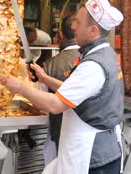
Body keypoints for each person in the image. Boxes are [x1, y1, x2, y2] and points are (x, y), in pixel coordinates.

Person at [0, 0, 124, 174]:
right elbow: (80, 93)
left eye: (78, 22)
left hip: (93, 159)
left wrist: (19, 86)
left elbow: (55, 105)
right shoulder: (106, 54)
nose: (73, 26)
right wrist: (45, 79)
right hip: (100, 153)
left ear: (93, 30)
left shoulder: (93, 66)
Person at [41, 16, 80, 165]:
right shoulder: (94, 59)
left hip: (59, 133)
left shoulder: (49, 65)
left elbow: (43, 104)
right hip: (90, 139)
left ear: (61, 36)